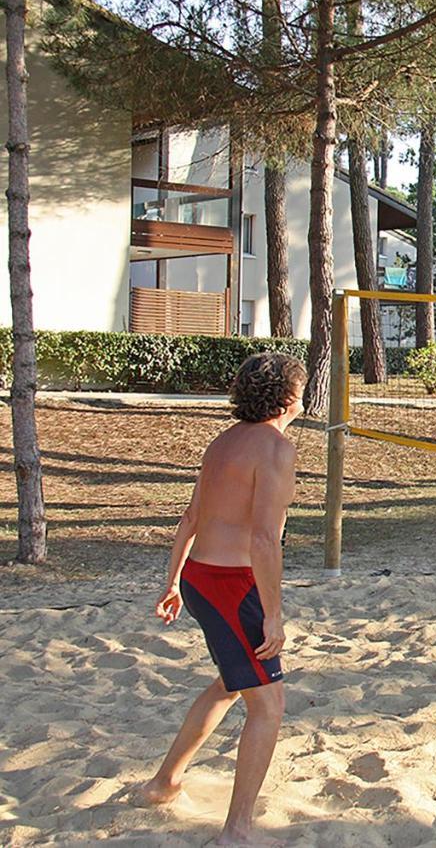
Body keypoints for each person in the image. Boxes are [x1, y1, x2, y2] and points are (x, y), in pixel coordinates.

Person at [136, 352, 303, 846]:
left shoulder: (223, 441)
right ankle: (237, 830)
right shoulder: (274, 448)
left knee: (232, 685)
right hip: (231, 585)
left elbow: (190, 519)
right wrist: (273, 615)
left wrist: (172, 582)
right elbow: (263, 541)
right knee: (269, 706)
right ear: (290, 398)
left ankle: (164, 783)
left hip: (202, 579)